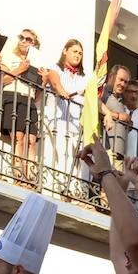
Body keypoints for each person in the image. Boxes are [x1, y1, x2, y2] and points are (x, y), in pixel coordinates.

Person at [0, 29, 45, 183]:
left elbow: (37, 96)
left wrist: (43, 81)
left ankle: (30, 176)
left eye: (28, 39)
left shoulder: (36, 63)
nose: (23, 41)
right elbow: (2, 81)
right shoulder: (10, 56)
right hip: (13, 96)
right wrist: (20, 69)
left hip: (29, 100)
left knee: (31, 140)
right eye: (21, 37)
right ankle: (18, 175)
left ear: (34, 44)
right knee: (18, 139)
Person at [45, 39, 89, 176]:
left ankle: (77, 190)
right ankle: (65, 189)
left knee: (82, 160)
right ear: (65, 51)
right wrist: (63, 93)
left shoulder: (83, 77)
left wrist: (109, 113)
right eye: (74, 51)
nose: (77, 55)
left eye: (80, 53)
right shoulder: (55, 67)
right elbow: (55, 82)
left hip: (77, 124)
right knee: (64, 155)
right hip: (58, 119)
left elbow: (92, 97)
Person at [101, 64, 133, 163]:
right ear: (111, 77)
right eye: (120, 80)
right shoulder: (104, 92)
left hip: (119, 155)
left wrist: (128, 123)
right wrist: (119, 116)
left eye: (126, 82)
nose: (123, 84)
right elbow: (94, 109)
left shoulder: (121, 100)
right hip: (107, 150)